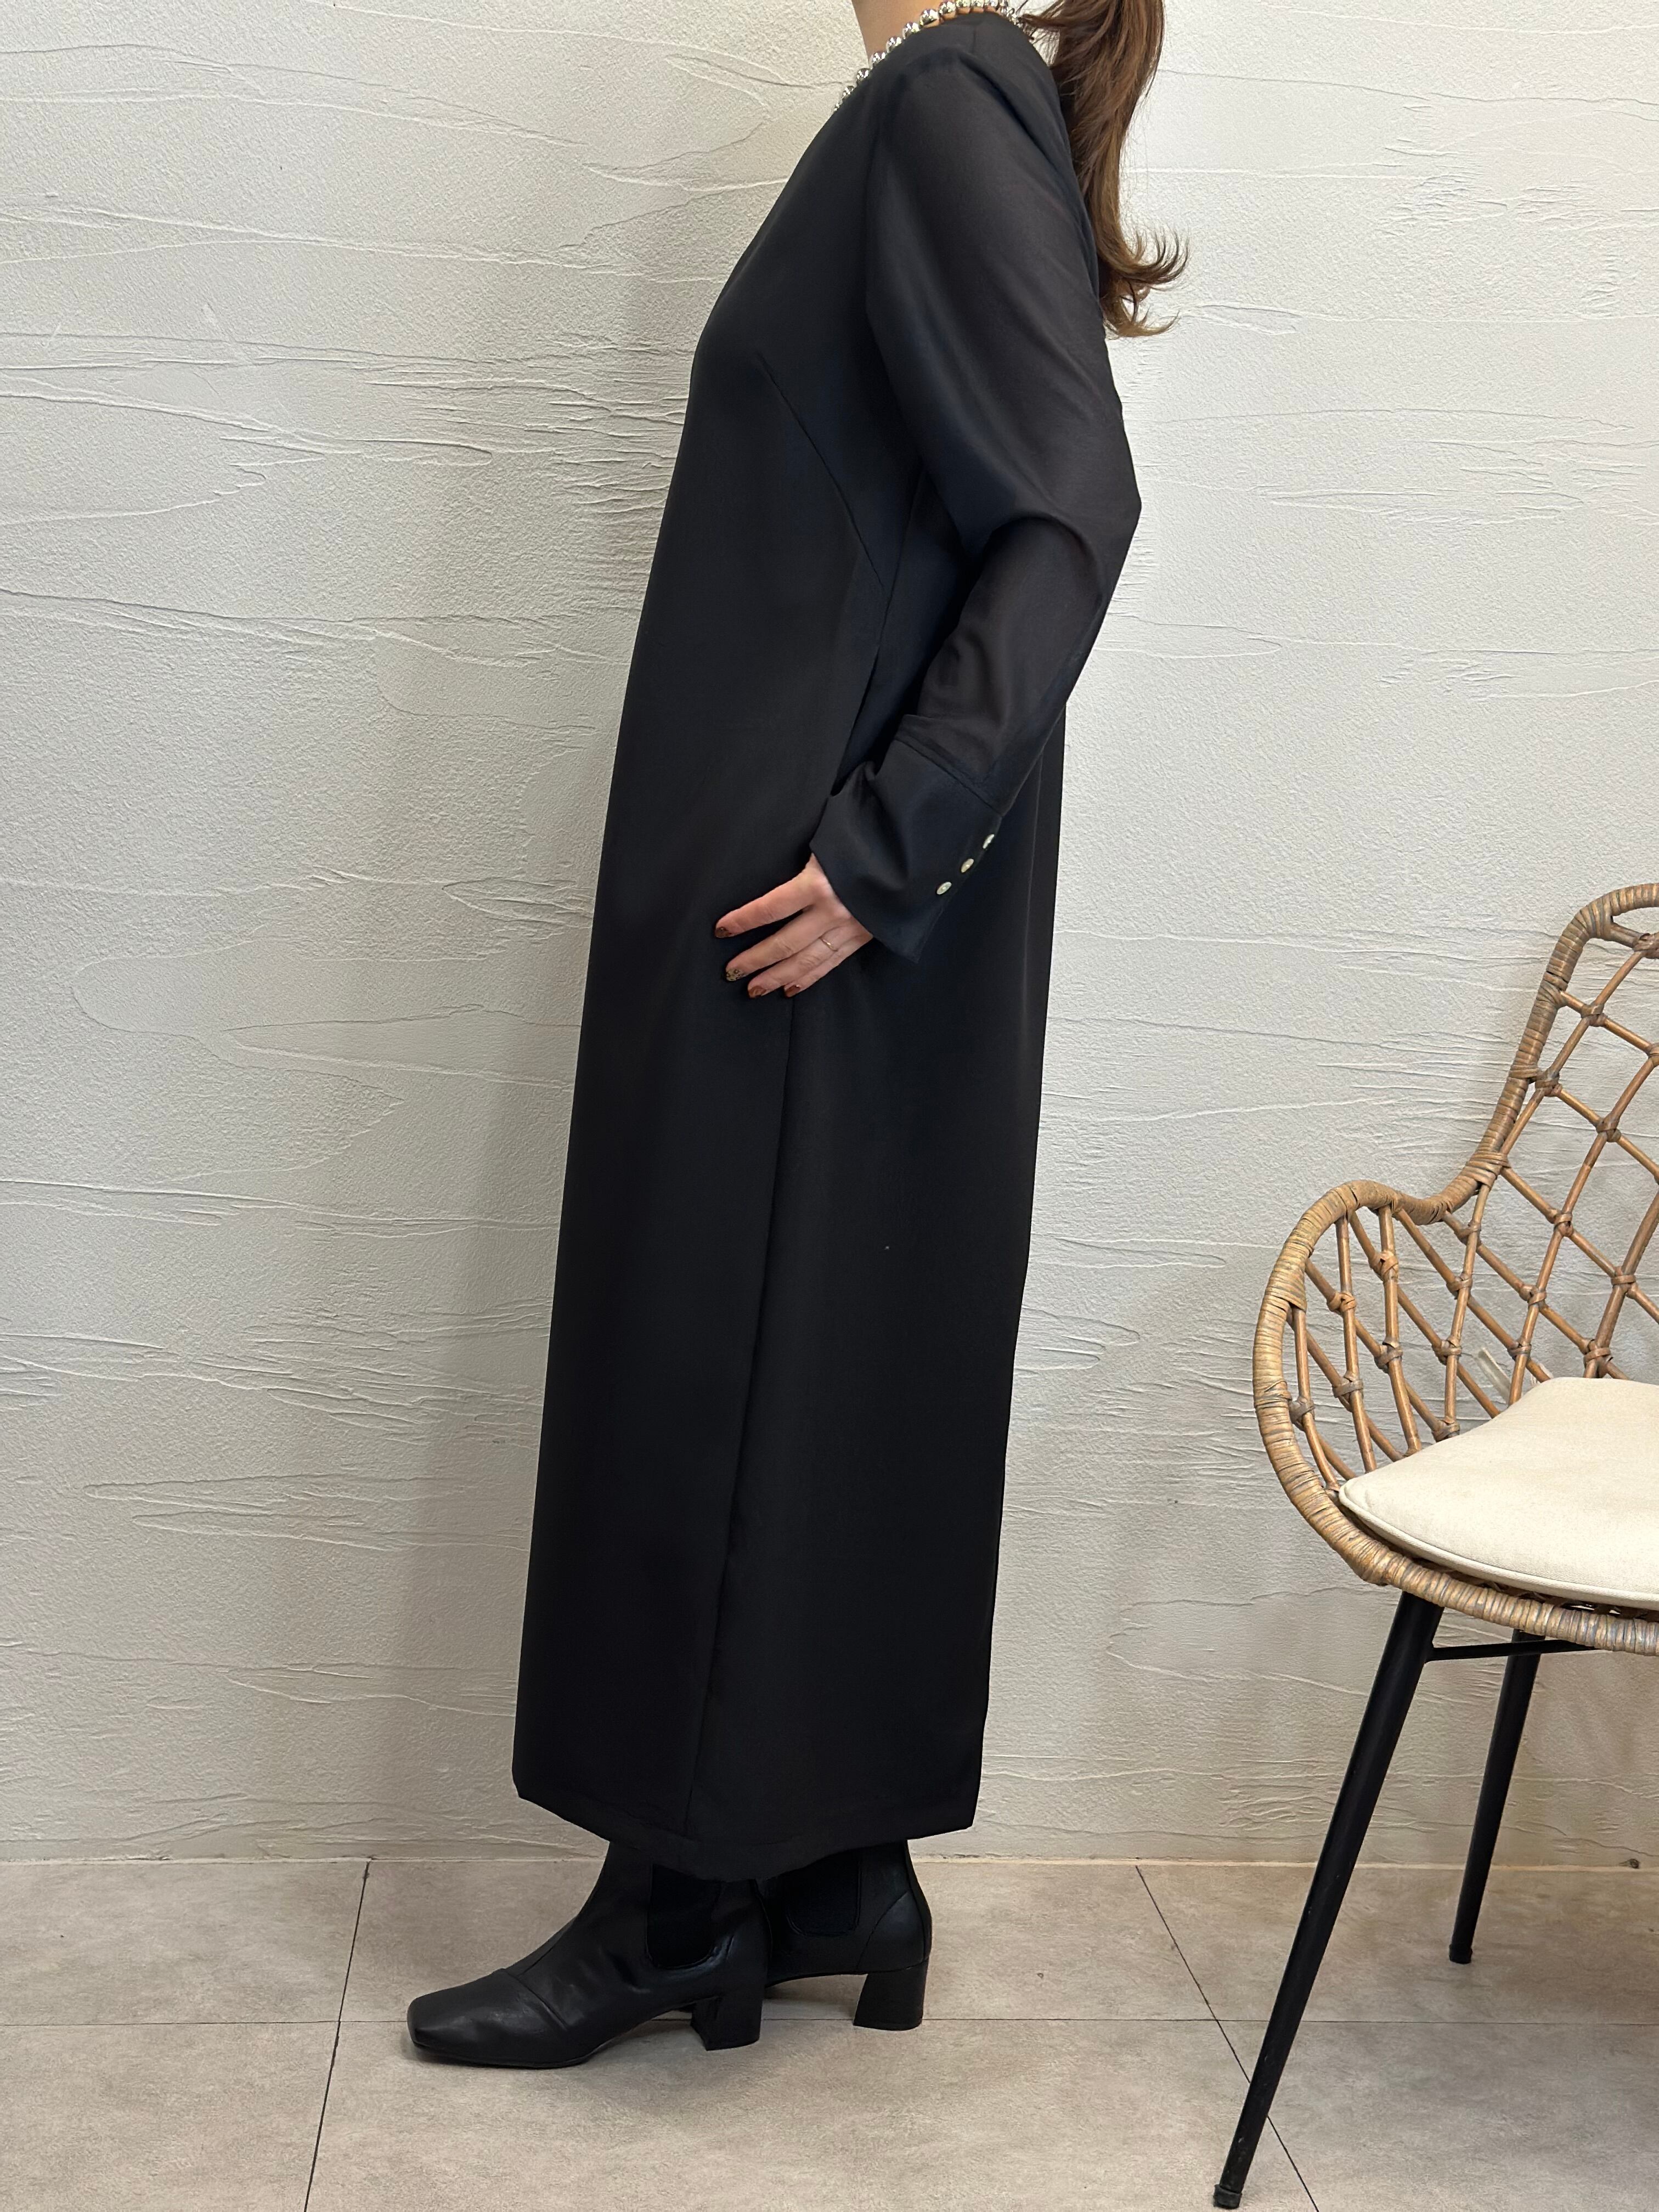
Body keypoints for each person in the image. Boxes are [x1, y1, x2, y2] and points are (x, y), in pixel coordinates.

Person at [408, 0, 1182, 2069]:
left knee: (704, 1377)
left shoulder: (940, 97)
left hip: (800, 907)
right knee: (812, 1370)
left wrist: (881, 844)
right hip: (813, 913)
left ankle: (673, 1912)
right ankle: (834, 1879)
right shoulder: (953, 110)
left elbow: (1074, 505)